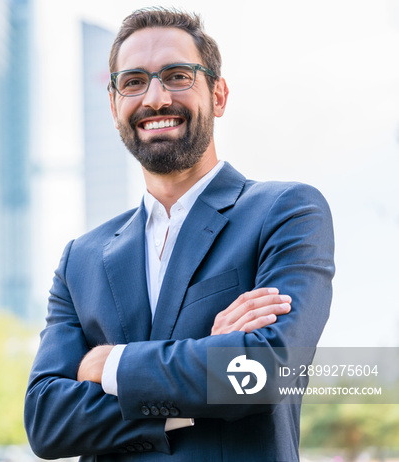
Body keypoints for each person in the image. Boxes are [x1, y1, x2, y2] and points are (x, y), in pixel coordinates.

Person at [24, 7, 334, 462]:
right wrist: (210, 355)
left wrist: (108, 365)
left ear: (219, 94)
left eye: (177, 76)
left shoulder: (285, 212)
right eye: (133, 82)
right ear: (114, 107)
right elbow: (47, 420)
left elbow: (266, 372)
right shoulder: (81, 259)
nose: (155, 99)